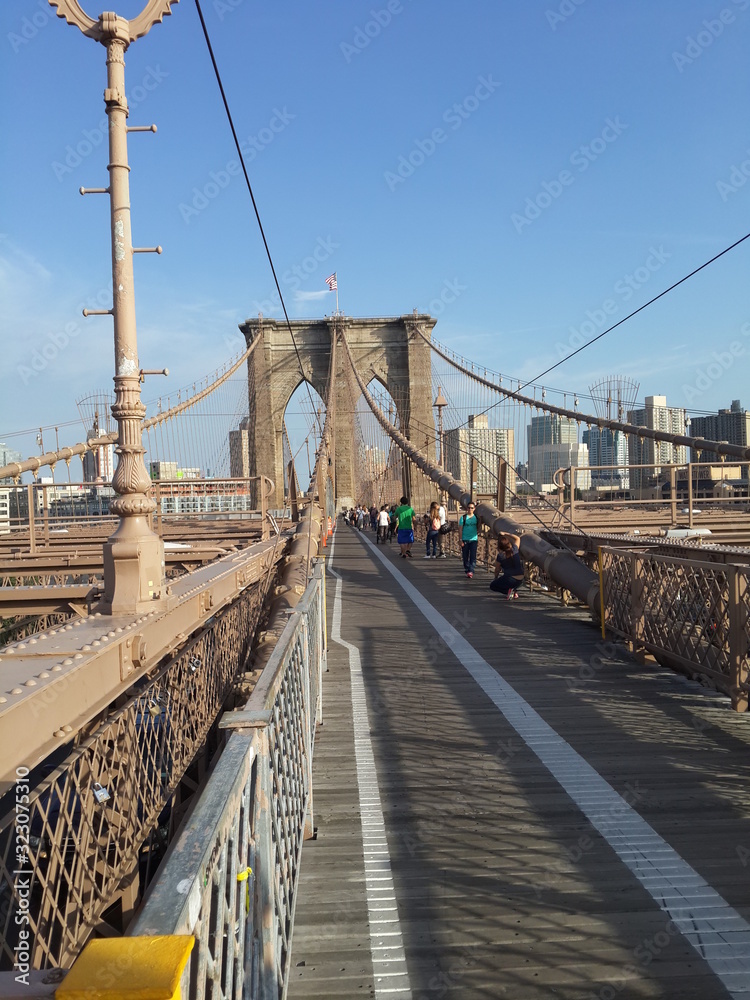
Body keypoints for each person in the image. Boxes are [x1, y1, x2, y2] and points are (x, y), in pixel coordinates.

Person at [490, 532, 524, 599]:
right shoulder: (515, 549)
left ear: (499, 546)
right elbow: (517, 538)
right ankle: (514, 591)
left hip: (510, 579)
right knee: (509, 581)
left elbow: (497, 569)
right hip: (521, 580)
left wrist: (495, 578)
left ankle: (509, 591)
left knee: (493, 586)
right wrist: (506, 533)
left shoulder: (500, 556)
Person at [460, 501, 479, 578]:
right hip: (465, 539)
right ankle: (467, 569)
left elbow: (479, 527)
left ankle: (471, 570)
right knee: (465, 556)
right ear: (466, 508)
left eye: (472, 508)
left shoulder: (476, 518)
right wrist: (460, 539)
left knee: (473, 556)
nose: (470, 509)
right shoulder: (463, 518)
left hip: (474, 539)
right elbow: (460, 529)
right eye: (469, 508)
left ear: (474, 509)